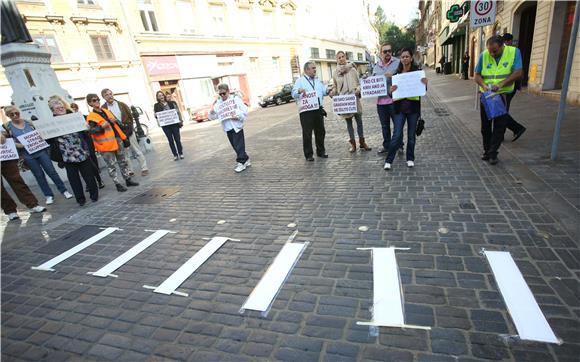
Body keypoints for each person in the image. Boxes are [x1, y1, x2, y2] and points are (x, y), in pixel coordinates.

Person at [2, 106, 73, 205]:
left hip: (41, 151)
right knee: (39, 175)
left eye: (16, 113)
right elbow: (7, 142)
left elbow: (42, 132)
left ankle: (64, 190)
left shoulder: (28, 122)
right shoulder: (8, 127)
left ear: (19, 112)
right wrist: (17, 145)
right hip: (27, 154)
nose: (15, 116)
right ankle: (48, 195)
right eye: (11, 114)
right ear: (8, 116)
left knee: (52, 172)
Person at [474, 35, 524, 165]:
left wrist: (502, 84)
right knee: (485, 126)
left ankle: (493, 153)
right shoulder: (484, 55)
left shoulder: (513, 52)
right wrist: (484, 86)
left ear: (502, 46)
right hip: (487, 95)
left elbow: (518, 72)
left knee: (499, 126)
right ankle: (486, 151)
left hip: (502, 95)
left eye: (494, 51)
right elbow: (477, 75)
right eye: (490, 50)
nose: (491, 53)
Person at [47, 96, 98, 206]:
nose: (60, 108)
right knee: (74, 179)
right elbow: (49, 140)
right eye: (57, 107)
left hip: (81, 151)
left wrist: (86, 129)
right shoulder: (50, 123)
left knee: (88, 176)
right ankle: (80, 199)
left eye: (61, 106)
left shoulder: (74, 117)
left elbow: (85, 133)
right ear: (53, 110)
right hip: (66, 155)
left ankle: (94, 195)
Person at [384, 47, 428, 171]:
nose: (404, 59)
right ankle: (389, 160)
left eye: (407, 56)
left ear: (411, 58)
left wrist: (425, 84)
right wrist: (390, 91)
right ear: (400, 59)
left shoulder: (417, 73)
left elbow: (422, 91)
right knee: (397, 135)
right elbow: (392, 94)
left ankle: (410, 158)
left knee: (411, 136)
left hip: (413, 110)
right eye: (402, 57)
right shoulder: (397, 75)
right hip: (399, 109)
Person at [86, 93, 139, 191]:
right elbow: (92, 131)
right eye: (94, 100)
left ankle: (127, 179)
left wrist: (124, 137)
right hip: (105, 145)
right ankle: (117, 184)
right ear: (90, 103)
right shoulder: (91, 116)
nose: (97, 101)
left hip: (117, 140)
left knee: (122, 161)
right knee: (111, 165)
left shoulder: (106, 111)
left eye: (97, 99)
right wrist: (102, 126)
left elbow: (117, 125)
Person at [101, 88, 149, 176]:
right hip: (117, 133)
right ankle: (130, 170)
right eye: (106, 95)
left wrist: (129, 127)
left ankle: (144, 167)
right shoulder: (103, 108)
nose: (109, 96)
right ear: (103, 97)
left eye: (110, 93)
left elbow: (130, 116)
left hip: (128, 130)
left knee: (136, 150)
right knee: (124, 153)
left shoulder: (122, 104)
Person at [330, 51, 371, 153]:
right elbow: (335, 87)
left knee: (359, 122)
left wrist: (358, 89)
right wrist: (332, 92)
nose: (341, 58)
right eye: (339, 57)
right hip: (345, 102)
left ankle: (362, 142)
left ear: (345, 57)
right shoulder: (335, 73)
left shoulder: (353, 70)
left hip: (354, 99)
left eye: (342, 56)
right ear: (337, 59)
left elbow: (359, 83)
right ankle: (353, 144)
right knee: (349, 124)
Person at [1, 133, 47, 220]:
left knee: (17, 180)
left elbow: (4, 134)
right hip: (4, 154)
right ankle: (10, 210)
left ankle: (32, 204)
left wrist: (2, 134)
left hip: (4, 155)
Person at [208, 84, 251, 173]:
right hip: (228, 128)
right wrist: (212, 111)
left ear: (228, 91)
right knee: (235, 146)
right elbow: (213, 117)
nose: (222, 96)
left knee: (239, 145)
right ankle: (246, 159)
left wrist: (238, 116)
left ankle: (241, 162)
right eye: (220, 94)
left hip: (236, 126)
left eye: (224, 93)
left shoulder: (235, 99)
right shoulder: (218, 103)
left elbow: (245, 110)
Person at [291, 61, 328, 161]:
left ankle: (321, 151)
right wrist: (299, 91)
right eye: (313, 68)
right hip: (306, 111)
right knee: (307, 133)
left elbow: (323, 91)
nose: (315, 70)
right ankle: (308, 155)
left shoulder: (317, 80)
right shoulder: (300, 81)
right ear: (307, 70)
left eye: (315, 68)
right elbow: (293, 93)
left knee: (320, 131)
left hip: (318, 109)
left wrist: (329, 90)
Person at [372, 43, 400, 154]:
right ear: (380, 53)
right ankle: (387, 146)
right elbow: (372, 82)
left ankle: (399, 145)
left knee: (397, 125)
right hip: (381, 102)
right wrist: (366, 80)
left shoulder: (397, 63)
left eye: (389, 51)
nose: (388, 53)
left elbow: (403, 77)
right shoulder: (376, 66)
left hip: (394, 100)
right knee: (385, 126)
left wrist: (392, 77)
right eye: (385, 51)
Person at [71, 102, 105, 189]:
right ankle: (89, 183)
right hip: (78, 143)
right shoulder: (69, 121)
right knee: (84, 164)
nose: (74, 110)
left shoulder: (84, 117)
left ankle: (99, 180)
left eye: (75, 108)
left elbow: (90, 129)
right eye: (72, 109)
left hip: (87, 141)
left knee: (92, 160)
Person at [501, 33, 527, 142]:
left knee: (500, 111)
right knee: (500, 110)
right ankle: (502, 133)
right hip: (506, 87)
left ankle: (516, 128)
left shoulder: (512, 52)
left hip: (507, 87)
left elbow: (518, 71)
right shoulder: (509, 51)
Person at [153, 91, 184, 161]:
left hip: (174, 124)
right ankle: (175, 155)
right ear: (157, 97)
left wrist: (177, 115)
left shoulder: (171, 103)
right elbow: (156, 115)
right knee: (170, 140)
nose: (161, 97)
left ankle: (180, 153)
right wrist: (155, 115)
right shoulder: (156, 105)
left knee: (177, 139)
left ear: (164, 96)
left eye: (162, 95)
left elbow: (176, 112)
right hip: (166, 126)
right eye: (159, 96)